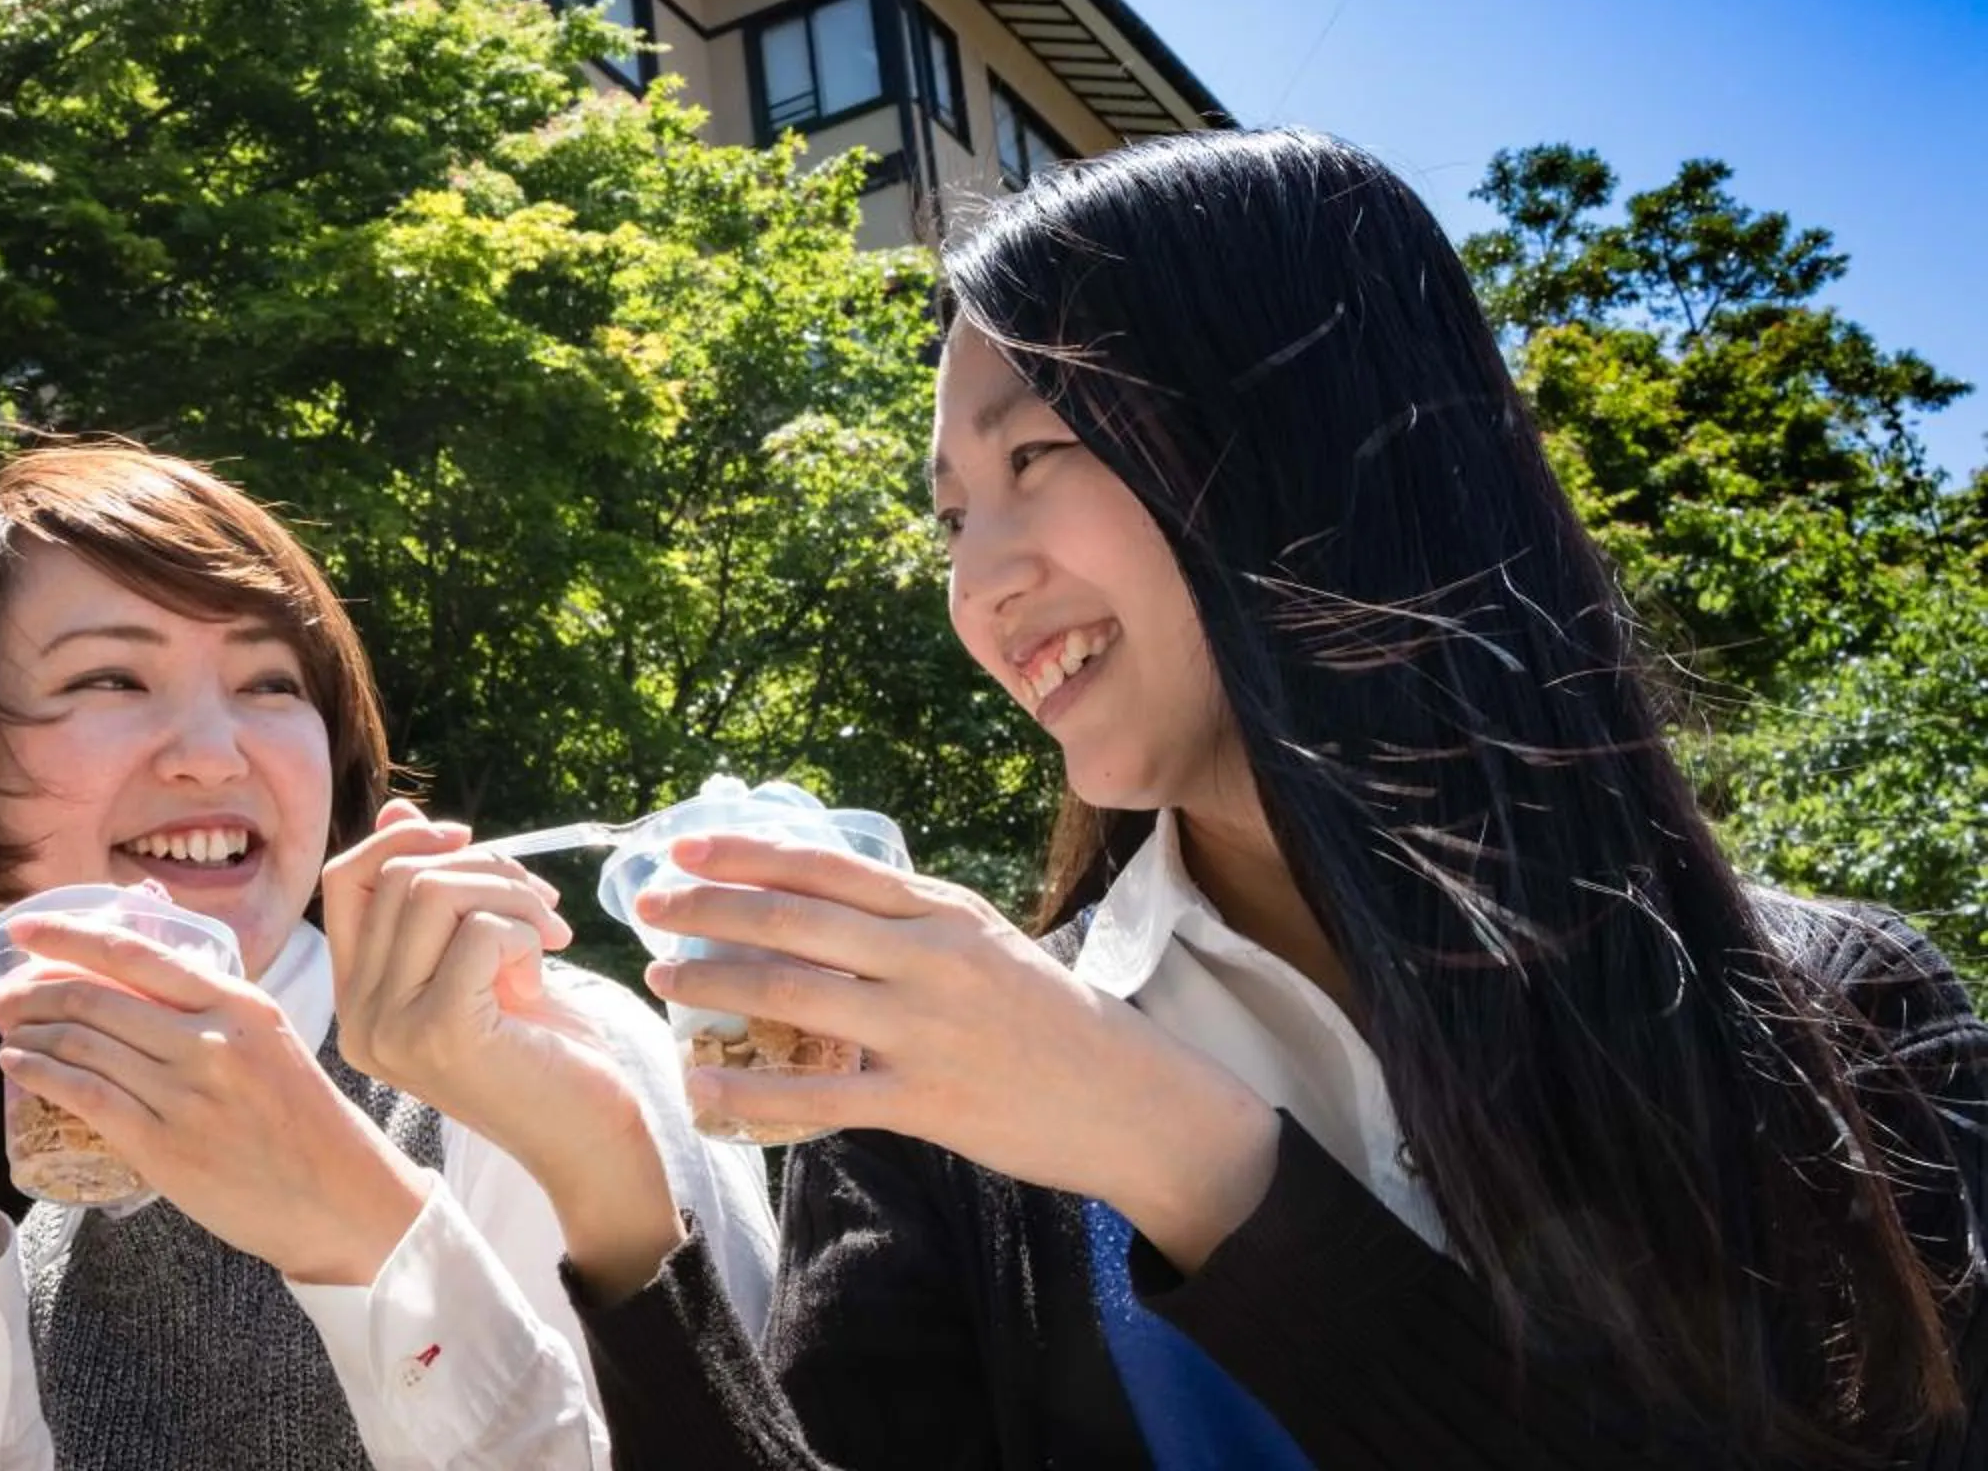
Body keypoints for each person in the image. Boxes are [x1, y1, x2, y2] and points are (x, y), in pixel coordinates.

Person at [344, 131, 1987, 1469]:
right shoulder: (939, 1111)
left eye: (1036, 457)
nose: (980, 589)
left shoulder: (1848, 1020)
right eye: (948, 524)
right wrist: (608, 1190)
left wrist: (1186, 1155)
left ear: (1307, 445)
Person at [0, 444, 776, 1471]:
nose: (213, 750)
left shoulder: (531, 1061)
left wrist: (358, 1224)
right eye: (110, 676)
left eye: (270, 681)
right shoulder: (42, 1234)